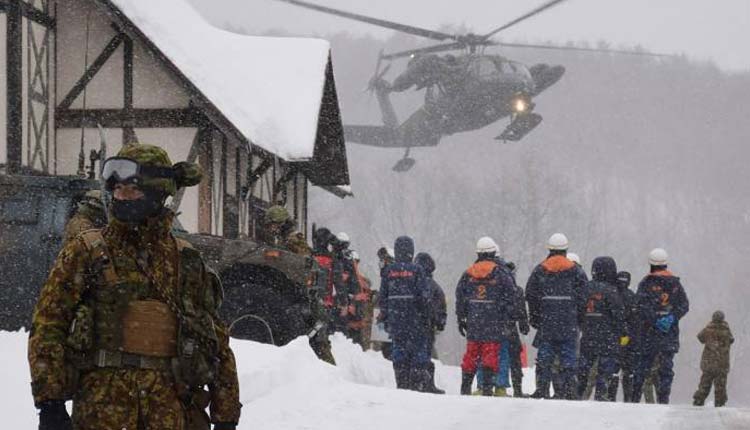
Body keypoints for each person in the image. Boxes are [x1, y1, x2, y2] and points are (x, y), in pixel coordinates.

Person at [28, 144, 241, 430]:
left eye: (131, 190)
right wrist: (49, 403)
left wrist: (225, 414)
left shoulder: (185, 259)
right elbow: (49, 324)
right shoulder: (86, 251)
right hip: (101, 411)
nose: (121, 197)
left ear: (156, 193)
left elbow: (215, 339)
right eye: (116, 190)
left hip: (167, 411)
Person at [526, 233, 587, 400]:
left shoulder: (540, 269)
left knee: (545, 356)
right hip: (569, 321)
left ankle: (542, 389)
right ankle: (570, 391)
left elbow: (530, 294)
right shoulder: (576, 270)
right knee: (569, 357)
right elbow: (583, 297)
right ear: (566, 250)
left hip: (547, 322)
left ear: (550, 249)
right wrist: (579, 319)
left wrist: (535, 317)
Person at [456, 237, 517, 396]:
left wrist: (461, 318)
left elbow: (460, 297)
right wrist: (507, 318)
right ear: (492, 252)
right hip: (493, 323)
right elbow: (511, 297)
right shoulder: (501, 273)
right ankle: (488, 389)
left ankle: (465, 387)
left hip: (474, 322)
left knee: (471, 355)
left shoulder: (468, 273)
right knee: (490, 355)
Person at [630, 248, 689, 404]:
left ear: (651, 264)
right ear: (665, 264)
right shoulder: (675, 283)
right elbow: (684, 305)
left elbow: (640, 307)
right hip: (668, 335)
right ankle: (664, 400)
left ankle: (635, 399)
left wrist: (654, 320)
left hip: (648, 334)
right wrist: (671, 317)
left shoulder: (646, 283)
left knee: (642, 368)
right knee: (666, 370)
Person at [378, 236, 432, 391]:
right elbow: (424, 297)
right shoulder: (417, 270)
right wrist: (426, 316)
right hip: (415, 320)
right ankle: (416, 383)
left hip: (396, 320)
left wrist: (386, 316)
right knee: (418, 350)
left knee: (399, 349)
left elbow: (383, 297)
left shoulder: (388, 271)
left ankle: (401, 382)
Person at [576, 257, 626, 401]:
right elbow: (619, 314)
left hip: (588, 334)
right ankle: (601, 394)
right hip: (607, 336)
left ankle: (578, 393)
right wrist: (621, 331)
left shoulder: (585, 288)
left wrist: (584, 324)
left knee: (584, 367)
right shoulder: (611, 291)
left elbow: (579, 311)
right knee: (605, 369)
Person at [415, 252, 447, 394]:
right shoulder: (435, 287)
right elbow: (441, 307)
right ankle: (427, 383)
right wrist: (440, 323)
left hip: (411, 324)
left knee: (412, 353)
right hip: (427, 326)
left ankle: (413, 382)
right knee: (425, 353)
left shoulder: (413, 283)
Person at [693, 311, 734, 407]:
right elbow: (732, 340)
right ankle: (720, 402)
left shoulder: (708, 329)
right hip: (722, 363)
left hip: (709, 362)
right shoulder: (726, 330)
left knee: (705, 383)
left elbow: (700, 337)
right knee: (720, 385)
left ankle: (699, 400)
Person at [614, 270, 639, 402]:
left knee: (613, 369)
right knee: (628, 370)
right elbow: (636, 319)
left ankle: (611, 396)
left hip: (613, 336)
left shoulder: (612, 294)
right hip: (629, 337)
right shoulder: (632, 296)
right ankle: (628, 398)